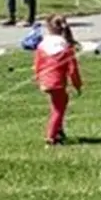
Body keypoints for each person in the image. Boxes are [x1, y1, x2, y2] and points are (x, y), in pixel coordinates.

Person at [33, 14, 82, 146]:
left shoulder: (42, 45)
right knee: (58, 109)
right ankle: (51, 137)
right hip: (57, 82)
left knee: (57, 103)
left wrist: (38, 79)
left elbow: (37, 64)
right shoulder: (66, 47)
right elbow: (73, 70)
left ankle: (59, 131)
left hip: (45, 81)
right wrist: (77, 85)